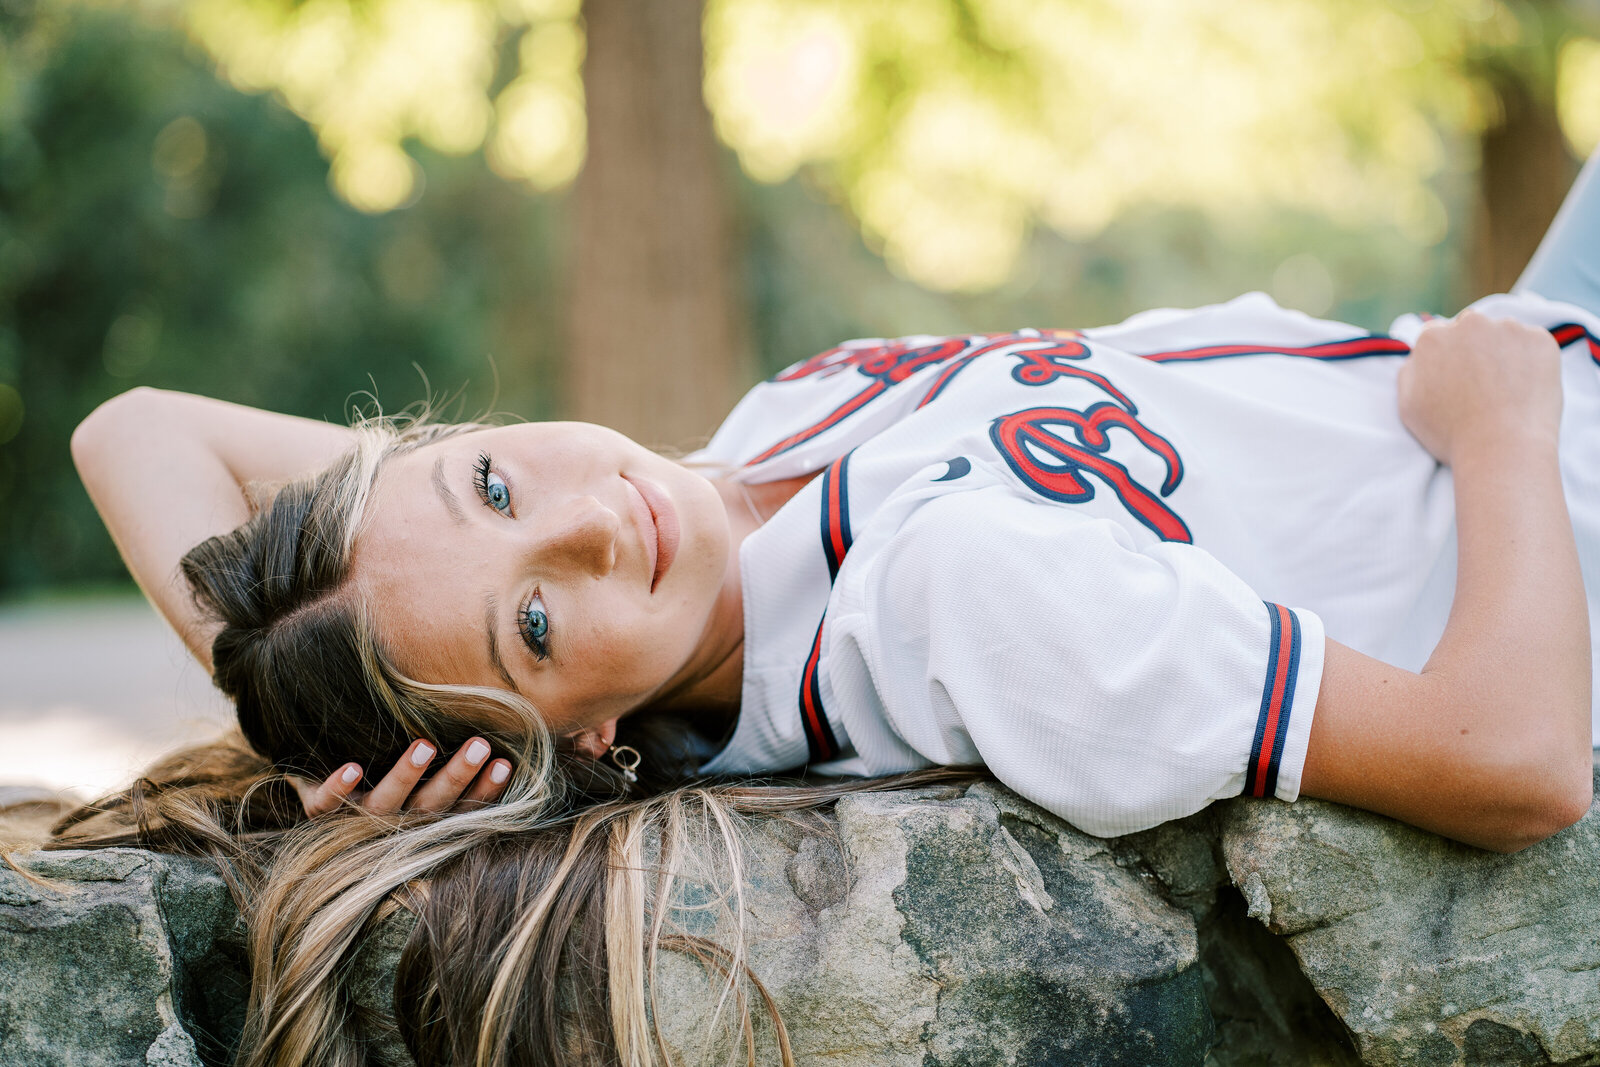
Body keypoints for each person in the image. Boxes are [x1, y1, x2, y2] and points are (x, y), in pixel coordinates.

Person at [51, 147, 1600, 1065]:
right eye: (534, 625)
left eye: (495, 487)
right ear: (583, 739)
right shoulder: (941, 608)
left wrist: (299, 697)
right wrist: (1503, 431)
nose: (600, 522)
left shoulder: (744, 453)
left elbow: (134, 430)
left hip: (1541, 331)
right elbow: (1509, 763)